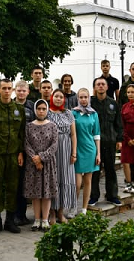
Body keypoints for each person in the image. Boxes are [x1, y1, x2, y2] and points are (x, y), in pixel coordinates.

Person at [0, 79, 25, 234]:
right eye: (4, 88)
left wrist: (21, 152)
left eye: (9, 88)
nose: (7, 91)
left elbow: (22, 133)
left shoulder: (18, 109)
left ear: (12, 90)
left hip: (14, 155)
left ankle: (10, 220)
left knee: (12, 188)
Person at [24, 99, 58, 232]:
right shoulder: (29, 126)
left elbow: (54, 145)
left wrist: (42, 158)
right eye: (39, 109)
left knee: (46, 192)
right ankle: (37, 219)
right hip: (33, 164)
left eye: (44, 109)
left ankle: (45, 220)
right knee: (36, 193)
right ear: (35, 110)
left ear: (47, 110)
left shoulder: (52, 126)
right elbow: (26, 144)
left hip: (48, 164)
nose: (41, 111)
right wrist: (35, 159)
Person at [89, 77, 123, 206]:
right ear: (95, 87)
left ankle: (112, 195)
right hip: (94, 143)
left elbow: (118, 123)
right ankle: (94, 196)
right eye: (98, 84)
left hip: (110, 141)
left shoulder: (113, 103)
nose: (101, 86)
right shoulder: (90, 103)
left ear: (107, 87)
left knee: (110, 169)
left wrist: (119, 139)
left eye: (103, 84)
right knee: (95, 170)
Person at [48, 89, 77, 223]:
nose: (58, 99)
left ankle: (61, 212)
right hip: (52, 151)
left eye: (61, 97)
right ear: (52, 98)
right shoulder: (47, 113)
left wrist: (74, 153)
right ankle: (52, 213)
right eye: (56, 96)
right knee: (53, 180)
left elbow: (73, 134)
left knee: (64, 180)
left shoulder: (68, 113)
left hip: (66, 150)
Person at [72, 88, 100, 214]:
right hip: (77, 150)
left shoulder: (94, 114)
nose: (83, 100)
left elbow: (96, 135)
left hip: (90, 150)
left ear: (89, 98)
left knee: (88, 181)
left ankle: (84, 208)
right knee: (77, 183)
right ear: (77, 98)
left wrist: (98, 153)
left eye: (85, 97)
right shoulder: (73, 113)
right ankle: (73, 208)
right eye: (81, 97)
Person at [12, 80, 34, 226]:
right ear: (15, 91)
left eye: (23, 90)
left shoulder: (32, 107)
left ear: (28, 92)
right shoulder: (11, 106)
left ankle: (23, 214)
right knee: (16, 183)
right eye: (18, 90)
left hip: (29, 149)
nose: (21, 93)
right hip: (14, 150)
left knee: (26, 183)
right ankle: (14, 215)